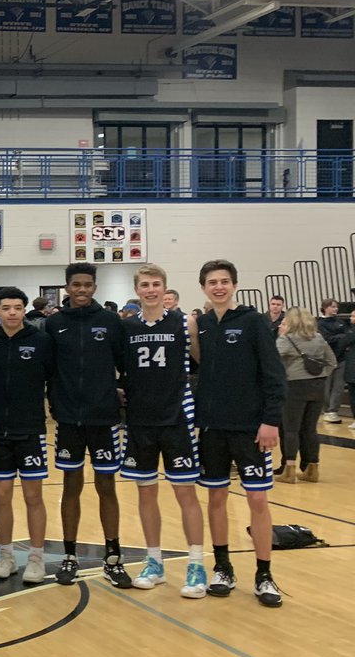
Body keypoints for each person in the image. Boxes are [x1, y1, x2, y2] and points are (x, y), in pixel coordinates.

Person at [193, 260, 287, 607]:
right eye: (212, 282)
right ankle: (223, 567)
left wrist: (270, 420)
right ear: (203, 287)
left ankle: (264, 574)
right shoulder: (201, 325)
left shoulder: (253, 321)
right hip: (212, 428)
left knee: (258, 500)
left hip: (250, 428)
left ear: (234, 285)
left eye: (224, 281)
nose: (218, 287)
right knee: (216, 498)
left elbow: (274, 374)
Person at [120, 265, 207, 598]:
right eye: (145, 285)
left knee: (186, 493)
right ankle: (154, 562)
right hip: (140, 420)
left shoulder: (185, 323)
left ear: (165, 288)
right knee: (146, 493)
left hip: (177, 417)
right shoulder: (126, 327)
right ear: (137, 290)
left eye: (156, 284)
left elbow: (204, 363)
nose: (151, 290)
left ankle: (196, 565)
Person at [44, 263, 129, 587]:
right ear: (67, 287)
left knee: (107, 486)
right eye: (76, 284)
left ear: (95, 287)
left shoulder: (110, 322)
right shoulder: (54, 324)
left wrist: (117, 391)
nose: (82, 290)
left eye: (88, 285)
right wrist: (56, 403)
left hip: (103, 417)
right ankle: (69, 556)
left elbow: (124, 363)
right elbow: (48, 369)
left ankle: (113, 557)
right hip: (68, 418)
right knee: (71, 486)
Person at [0, 287, 53, 584]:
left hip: (31, 429)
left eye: (17, 307)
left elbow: (54, 378)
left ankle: (36, 558)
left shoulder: (41, 341)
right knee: (1, 495)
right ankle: (6, 556)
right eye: (6, 308)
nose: (12, 312)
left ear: (25, 310)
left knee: (33, 496)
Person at [274, 307, 336, 484]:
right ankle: (312, 469)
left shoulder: (286, 339)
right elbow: (332, 362)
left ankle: (289, 470)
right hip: (318, 387)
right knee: (310, 429)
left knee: (291, 429)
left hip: (294, 387)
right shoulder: (318, 338)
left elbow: (273, 363)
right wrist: (319, 375)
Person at [317, 298, 347, 423]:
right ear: (325, 308)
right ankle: (326, 409)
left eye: (336, 307)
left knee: (339, 386)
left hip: (341, 357)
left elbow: (347, 336)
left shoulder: (340, 321)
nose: (336, 309)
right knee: (326, 386)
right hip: (326, 359)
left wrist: (339, 337)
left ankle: (333, 410)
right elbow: (326, 339)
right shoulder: (320, 323)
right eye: (333, 307)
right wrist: (340, 336)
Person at [334, 308, 355, 431]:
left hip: (352, 369)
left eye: (353, 316)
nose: (350, 318)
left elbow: (342, 344)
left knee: (353, 395)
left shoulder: (351, 332)